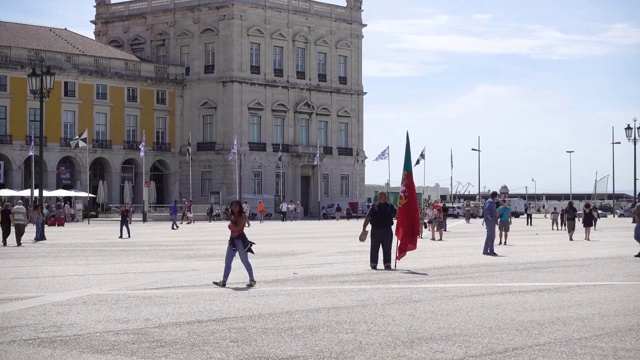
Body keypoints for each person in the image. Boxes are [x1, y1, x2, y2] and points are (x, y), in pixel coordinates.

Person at [212, 200, 256, 288]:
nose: (234, 207)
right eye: (233, 206)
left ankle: (252, 279)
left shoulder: (242, 216)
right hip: (232, 240)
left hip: (240, 240)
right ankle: (224, 281)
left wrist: (230, 218)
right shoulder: (232, 216)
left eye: (236, 206)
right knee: (227, 262)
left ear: (240, 207)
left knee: (245, 261)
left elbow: (236, 227)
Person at [362, 191, 397, 270]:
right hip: (376, 230)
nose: (382, 197)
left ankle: (387, 264)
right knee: (374, 248)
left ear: (386, 197)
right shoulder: (374, 206)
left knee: (387, 248)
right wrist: (364, 226)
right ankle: (373, 264)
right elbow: (369, 216)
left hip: (387, 230)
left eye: (383, 195)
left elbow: (397, 213)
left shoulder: (390, 206)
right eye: (380, 196)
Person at [482, 191, 499, 256]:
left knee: (489, 236)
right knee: (492, 236)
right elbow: (486, 209)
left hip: (490, 221)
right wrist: (489, 217)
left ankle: (485, 250)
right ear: (495, 196)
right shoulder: (490, 202)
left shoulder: (488, 201)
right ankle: (491, 251)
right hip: (490, 222)